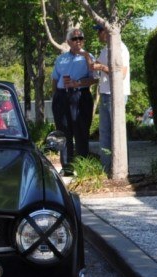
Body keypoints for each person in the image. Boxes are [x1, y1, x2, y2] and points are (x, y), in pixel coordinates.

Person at [51, 28, 98, 175]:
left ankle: (83, 167)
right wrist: (56, 96)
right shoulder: (61, 58)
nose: (78, 41)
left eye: (81, 38)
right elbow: (54, 78)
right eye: (75, 38)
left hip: (80, 96)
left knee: (81, 131)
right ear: (68, 41)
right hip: (62, 97)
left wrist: (78, 83)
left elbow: (95, 78)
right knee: (64, 133)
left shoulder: (88, 56)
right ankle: (67, 168)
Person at [90, 24, 130, 175]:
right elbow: (98, 70)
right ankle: (106, 170)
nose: (97, 35)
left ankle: (121, 171)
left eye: (99, 31)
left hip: (117, 95)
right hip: (105, 94)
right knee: (105, 133)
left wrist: (101, 67)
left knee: (117, 134)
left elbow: (122, 74)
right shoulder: (105, 50)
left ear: (106, 32)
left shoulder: (120, 48)